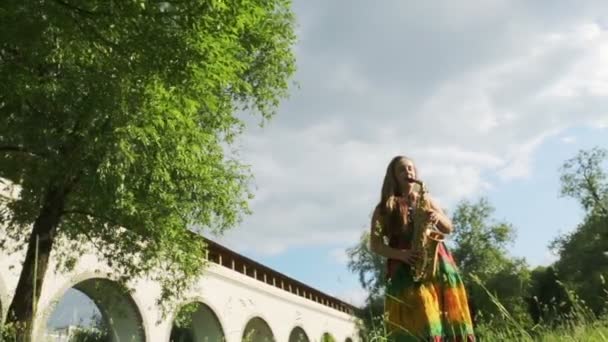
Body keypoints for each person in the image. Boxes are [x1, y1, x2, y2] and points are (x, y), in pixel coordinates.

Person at [369, 155, 475, 342]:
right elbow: (375, 244)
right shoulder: (384, 208)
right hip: (405, 267)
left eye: (411, 168)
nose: (408, 171)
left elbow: (448, 227)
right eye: (402, 169)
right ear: (393, 176)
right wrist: (401, 254)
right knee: (421, 315)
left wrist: (436, 216)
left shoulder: (426, 200)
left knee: (448, 316)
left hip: (437, 263)